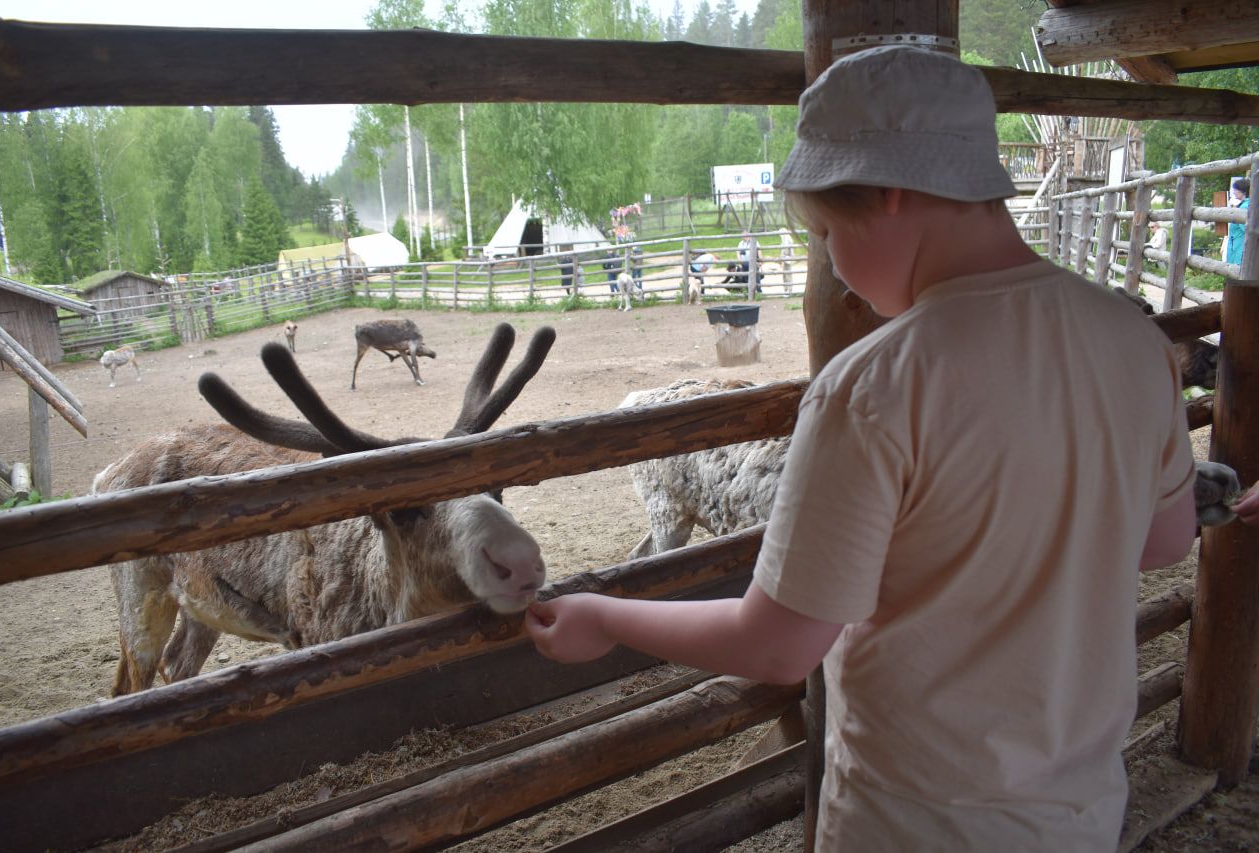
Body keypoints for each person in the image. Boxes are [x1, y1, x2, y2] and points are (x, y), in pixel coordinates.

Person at [526, 45, 1198, 852]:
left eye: (824, 233)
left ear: (887, 193)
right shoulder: (1132, 339)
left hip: (914, 821)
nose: (837, 271)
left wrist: (604, 614)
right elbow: (1167, 539)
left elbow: (777, 644)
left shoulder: (874, 386)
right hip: (1080, 810)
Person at [1227, 178, 1249, 268]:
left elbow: (1245, 228)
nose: (1234, 192)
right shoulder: (1244, 205)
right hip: (1237, 243)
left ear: (1243, 191)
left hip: (1239, 245)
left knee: (1237, 269)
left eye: (1236, 189)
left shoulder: (1244, 207)